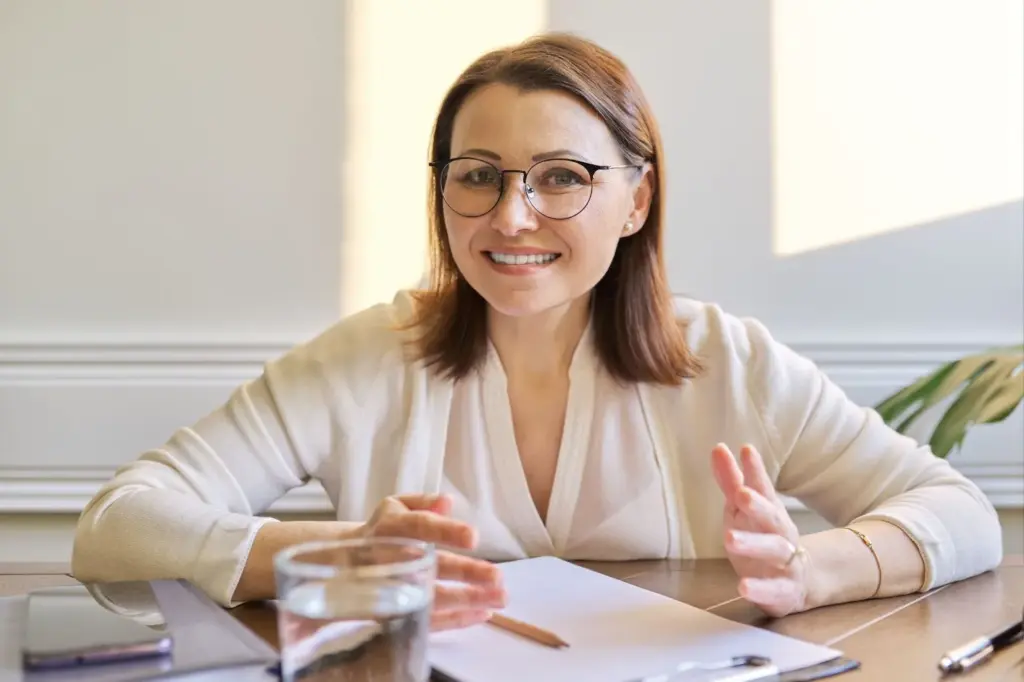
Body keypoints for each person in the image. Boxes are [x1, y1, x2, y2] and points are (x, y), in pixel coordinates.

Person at [72, 32, 1003, 632]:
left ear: (637, 199)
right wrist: (338, 552)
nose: (511, 217)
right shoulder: (361, 359)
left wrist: (810, 568)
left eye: (562, 177)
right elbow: (116, 530)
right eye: (478, 174)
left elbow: (961, 515)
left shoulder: (731, 361)